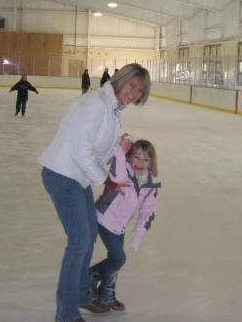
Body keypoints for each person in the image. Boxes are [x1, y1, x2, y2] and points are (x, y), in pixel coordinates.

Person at [38, 63, 151, 322]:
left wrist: (120, 146)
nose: (134, 93)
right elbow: (81, 149)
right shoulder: (96, 104)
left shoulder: (113, 109)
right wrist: (106, 181)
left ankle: (81, 297)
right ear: (121, 80)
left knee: (87, 240)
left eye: (140, 90)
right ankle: (66, 314)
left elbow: (101, 146)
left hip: (79, 178)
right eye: (132, 85)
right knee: (79, 242)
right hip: (63, 175)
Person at [89, 138, 161, 312]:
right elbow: (118, 175)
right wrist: (120, 152)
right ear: (129, 158)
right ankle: (88, 277)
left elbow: (149, 210)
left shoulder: (151, 183)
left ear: (151, 163)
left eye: (145, 159)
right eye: (136, 157)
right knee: (118, 258)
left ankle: (106, 296)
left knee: (115, 264)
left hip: (120, 225)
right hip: (104, 219)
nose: (140, 162)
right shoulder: (122, 172)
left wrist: (139, 232)